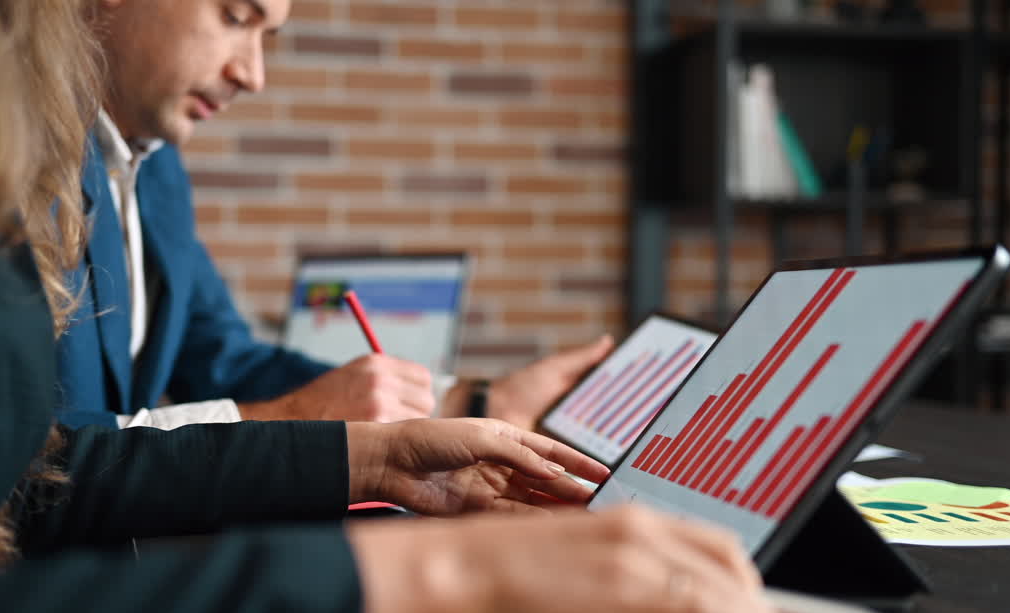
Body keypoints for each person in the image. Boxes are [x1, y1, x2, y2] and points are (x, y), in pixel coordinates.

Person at [0, 0, 815, 613]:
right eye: (236, 15)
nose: (254, 71)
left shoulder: (7, 101)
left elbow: (29, 477)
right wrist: (437, 586)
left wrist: (385, 455)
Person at [57, 0, 615, 431]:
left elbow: (228, 362)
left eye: (266, 36)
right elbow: (30, 460)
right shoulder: (4, 166)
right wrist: (287, 419)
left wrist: (476, 402)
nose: (253, 74)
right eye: (234, 17)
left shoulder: (158, 172)